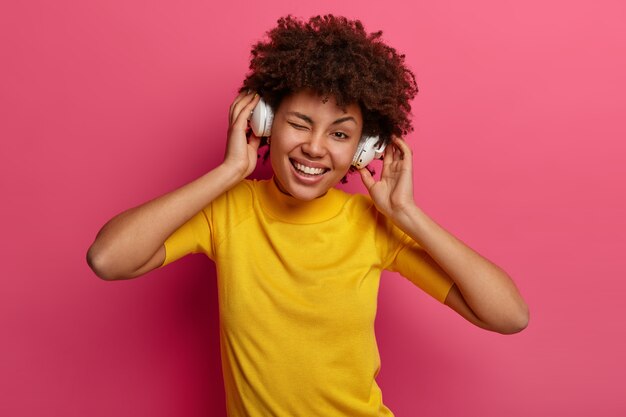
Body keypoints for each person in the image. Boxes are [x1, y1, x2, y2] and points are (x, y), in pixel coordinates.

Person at [87, 14, 529, 417]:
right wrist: (227, 173)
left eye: (339, 133)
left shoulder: (373, 225)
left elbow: (509, 316)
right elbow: (108, 258)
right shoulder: (228, 210)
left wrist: (408, 215)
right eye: (299, 123)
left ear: (362, 149)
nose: (316, 147)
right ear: (264, 122)